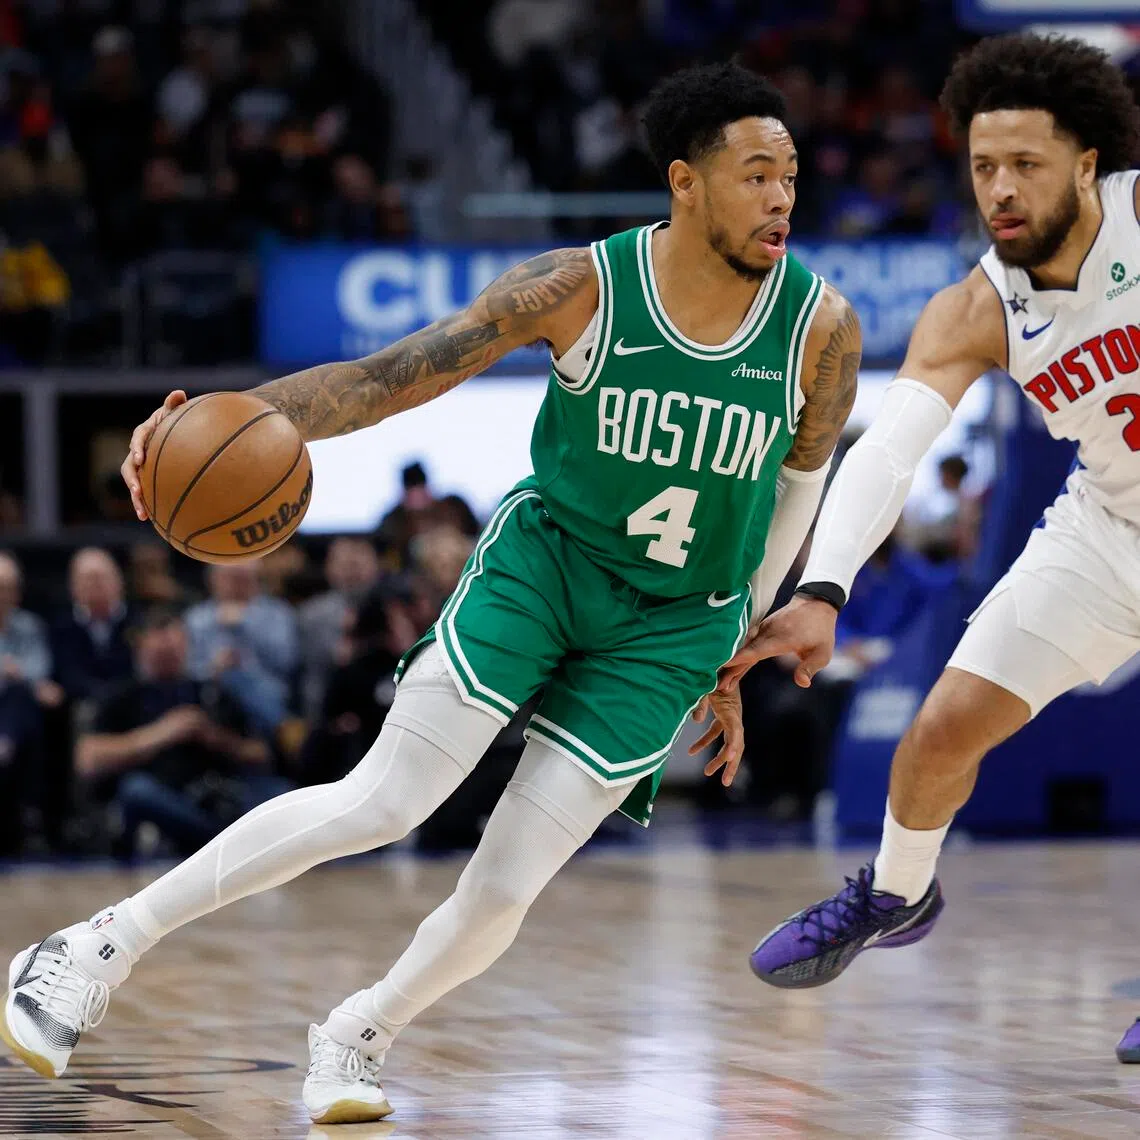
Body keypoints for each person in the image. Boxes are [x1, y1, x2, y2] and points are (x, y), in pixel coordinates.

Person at [0, 63, 863, 1124]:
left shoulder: (823, 332)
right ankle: (92, 948)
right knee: (386, 800)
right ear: (686, 183)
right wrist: (227, 419)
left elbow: (798, 488)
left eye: (790, 176)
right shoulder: (581, 287)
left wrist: (739, 637)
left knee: (507, 887)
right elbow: (389, 377)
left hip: (678, 623)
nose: (782, 197)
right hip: (549, 566)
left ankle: (360, 1033)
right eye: (755, 174)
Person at [733, 33, 1140, 1061]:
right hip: (1109, 527)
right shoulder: (975, 306)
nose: (1000, 188)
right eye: (983, 165)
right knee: (942, 732)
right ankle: (898, 894)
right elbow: (892, 451)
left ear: (1088, 163)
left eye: (1027, 165)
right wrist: (821, 587)